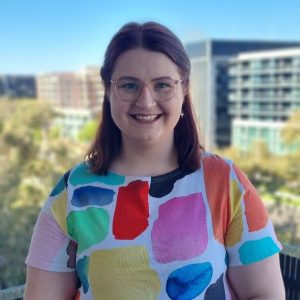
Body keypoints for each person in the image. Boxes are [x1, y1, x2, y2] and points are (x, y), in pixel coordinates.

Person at [24, 22, 285, 300]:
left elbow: (264, 294)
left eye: (162, 85)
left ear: (183, 88)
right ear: (108, 90)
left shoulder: (225, 182)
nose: (146, 101)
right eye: (129, 85)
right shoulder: (72, 194)